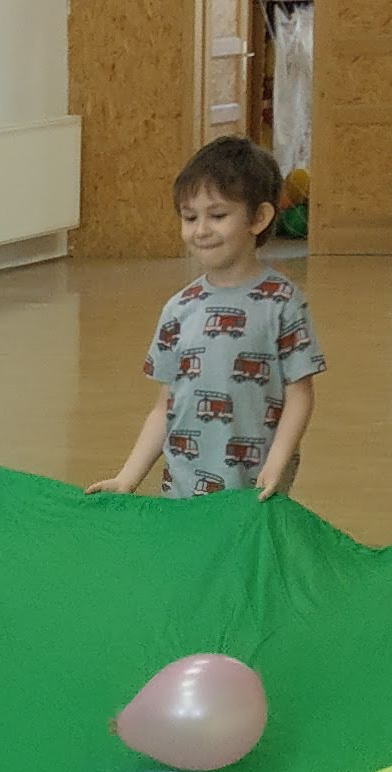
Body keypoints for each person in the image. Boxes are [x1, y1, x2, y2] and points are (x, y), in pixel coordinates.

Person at [92, 136, 321, 503]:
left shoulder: (283, 302)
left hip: (254, 491)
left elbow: (300, 393)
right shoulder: (178, 309)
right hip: (183, 491)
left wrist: (278, 461)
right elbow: (164, 407)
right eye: (189, 217)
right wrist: (127, 477)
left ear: (259, 218)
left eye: (217, 216)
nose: (200, 230)